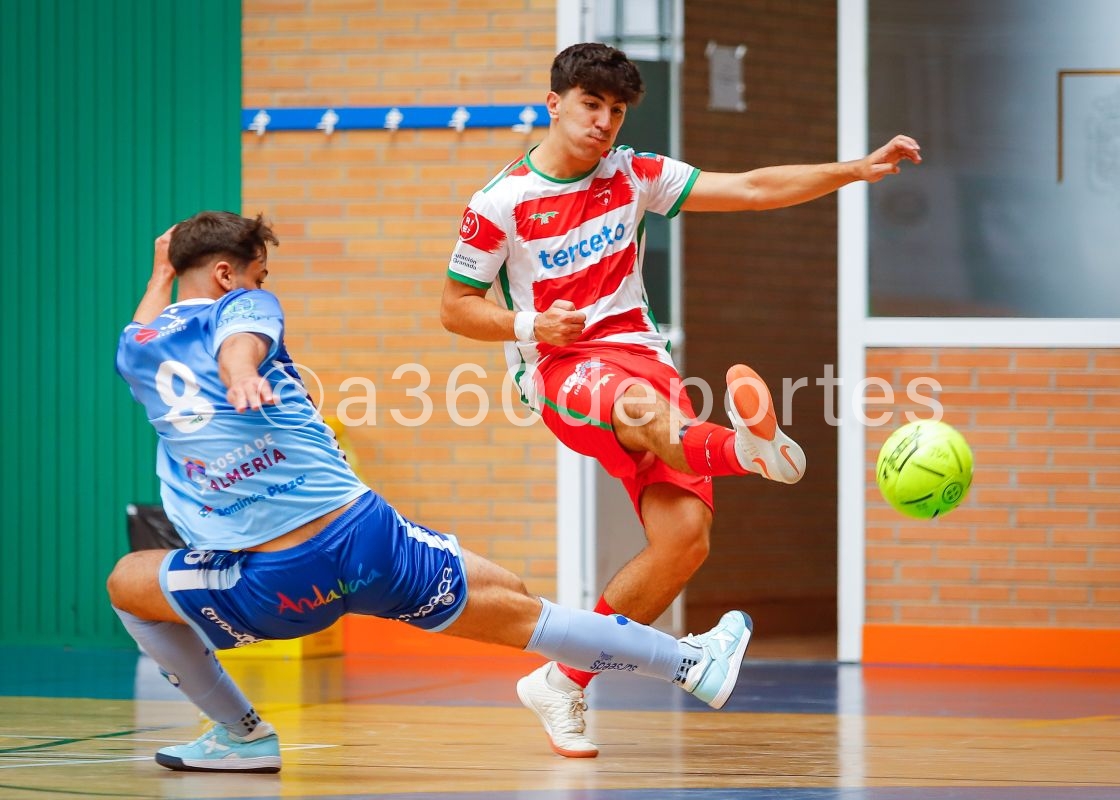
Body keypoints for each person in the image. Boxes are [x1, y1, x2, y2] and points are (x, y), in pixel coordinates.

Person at [109, 211, 754, 774]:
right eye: (258, 274)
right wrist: (243, 369)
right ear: (227, 274)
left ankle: (242, 734)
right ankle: (686, 664)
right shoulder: (241, 308)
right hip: (365, 540)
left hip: (268, 583)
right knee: (523, 611)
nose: (261, 288)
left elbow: (149, 326)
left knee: (127, 583)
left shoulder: (136, 349)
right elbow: (240, 336)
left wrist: (160, 273)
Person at [441, 42, 922, 758]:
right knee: (644, 411)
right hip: (562, 368)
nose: (604, 122)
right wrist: (527, 325)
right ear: (555, 104)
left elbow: (754, 189)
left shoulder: (635, 174)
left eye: (616, 110)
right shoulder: (500, 203)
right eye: (591, 106)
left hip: (639, 351)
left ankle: (562, 679)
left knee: (683, 542)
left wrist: (853, 170)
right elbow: (454, 307)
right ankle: (750, 452)